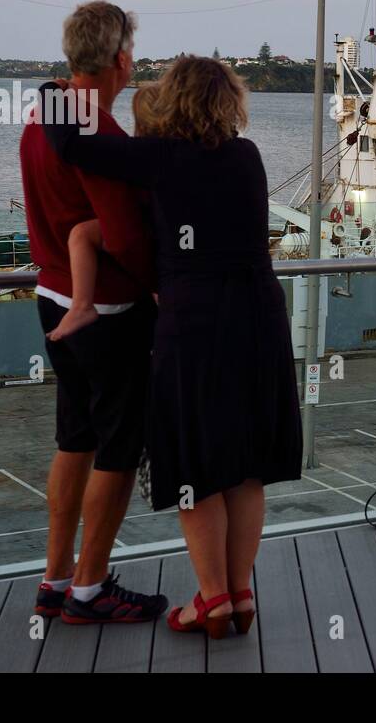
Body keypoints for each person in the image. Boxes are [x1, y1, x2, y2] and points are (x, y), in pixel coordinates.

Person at [39, 55, 303, 640]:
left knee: (195, 464)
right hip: (260, 318)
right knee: (247, 466)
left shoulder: (162, 159)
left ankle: (211, 601)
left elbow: (72, 147)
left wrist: (53, 90)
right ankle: (239, 592)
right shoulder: (248, 157)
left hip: (195, 325)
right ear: (228, 102)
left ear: (175, 102)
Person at [18, 0, 168, 624]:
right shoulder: (100, 132)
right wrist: (161, 283)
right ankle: (90, 587)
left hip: (53, 299)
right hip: (107, 311)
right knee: (118, 447)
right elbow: (123, 232)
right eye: (129, 49)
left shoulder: (40, 118)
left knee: (73, 439)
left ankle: (54, 580)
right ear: (118, 57)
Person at [45, 84, 164, 342]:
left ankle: (81, 305)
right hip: (170, 240)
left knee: (80, 235)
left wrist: (50, 91)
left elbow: (70, 143)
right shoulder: (194, 151)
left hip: (144, 231)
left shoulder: (138, 152)